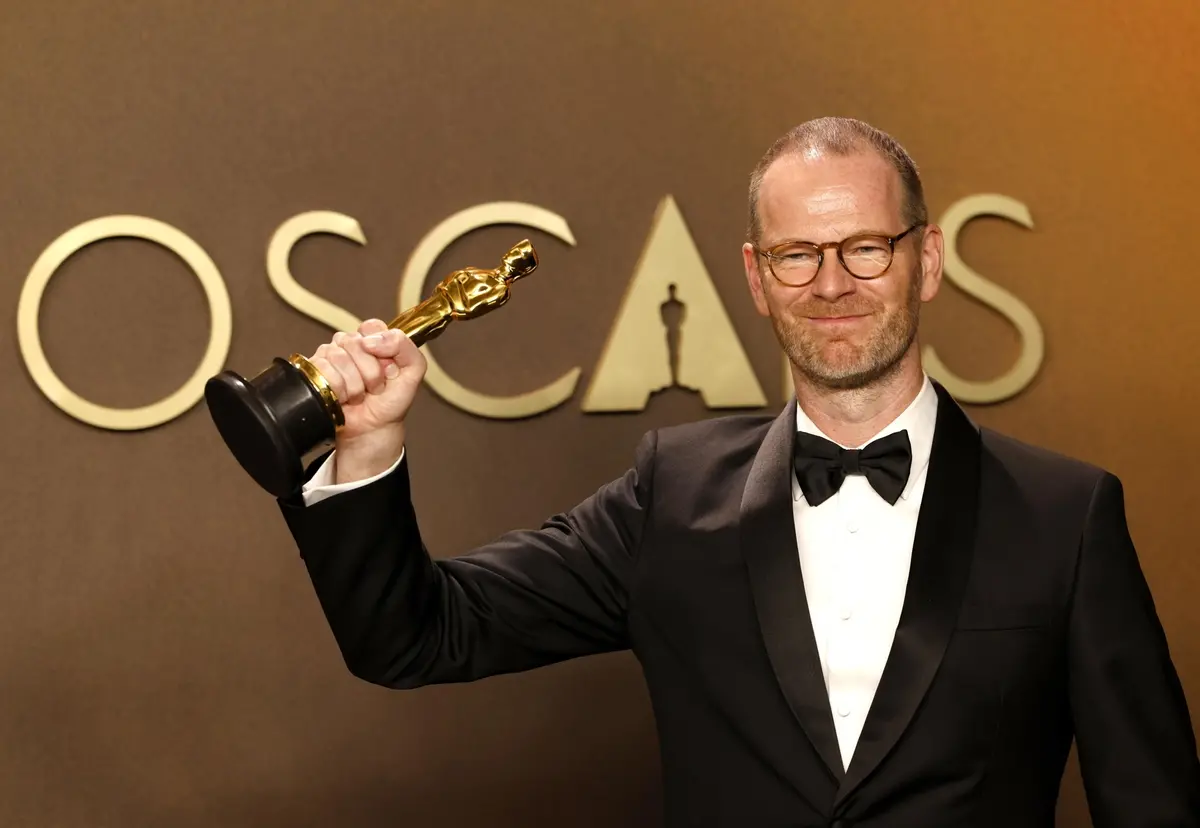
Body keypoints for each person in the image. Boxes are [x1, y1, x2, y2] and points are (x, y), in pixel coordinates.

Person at [276, 117, 1200, 826]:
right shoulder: (669, 494)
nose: (831, 284)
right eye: (799, 255)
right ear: (757, 279)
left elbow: (1152, 806)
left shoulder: (1065, 513)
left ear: (927, 259)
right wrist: (369, 445)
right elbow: (415, 637)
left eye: (866, 247)